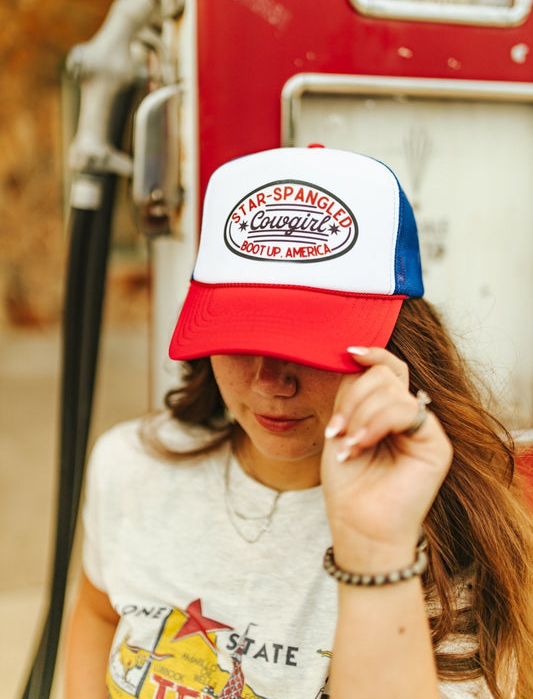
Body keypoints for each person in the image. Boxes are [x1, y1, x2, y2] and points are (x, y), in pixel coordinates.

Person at [65, 146, 533, 699]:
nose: (271, 382)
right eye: (241, 339)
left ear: (394, 343)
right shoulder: (131, 464)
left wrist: (376, 548)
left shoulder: (452, 532)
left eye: (312, 346)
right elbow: (99, 612)